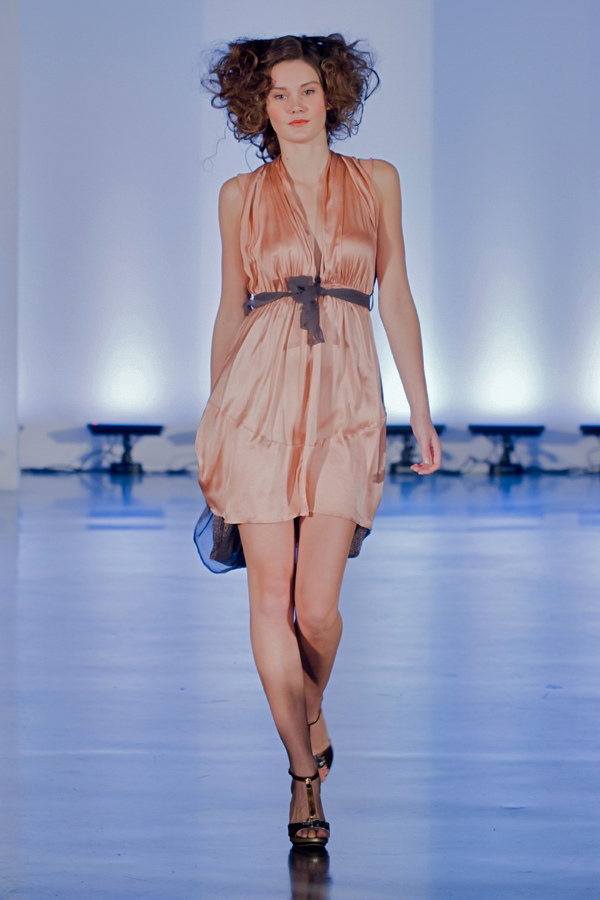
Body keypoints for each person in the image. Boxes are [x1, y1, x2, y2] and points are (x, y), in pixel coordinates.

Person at [193, 33, 442, 847]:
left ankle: (310, 704)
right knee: (270, 598)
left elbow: (396, 296)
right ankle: (304, 776)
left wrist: (422, 411)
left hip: (346, 402)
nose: (295, 106)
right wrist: (214, 412)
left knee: (317, 609)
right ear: (258, 108)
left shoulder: (377, 181)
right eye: (278, 95)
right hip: (257, 402)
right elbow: (231, 307)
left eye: (307, 90)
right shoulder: (239, 194)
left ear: (332, 95)